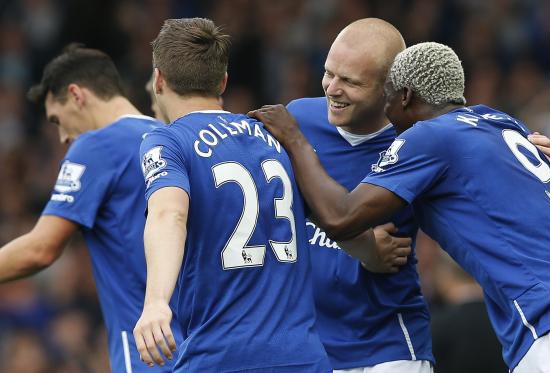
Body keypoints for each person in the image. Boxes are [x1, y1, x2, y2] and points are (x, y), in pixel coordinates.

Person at [251, 42, 550, 372]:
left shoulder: (429, 136)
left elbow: (341, 217)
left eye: (388, 97)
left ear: (404, 96)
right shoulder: (500, 122)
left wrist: (295, 140)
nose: (386, 114)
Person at [282, 18, 550, 372]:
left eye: (350, 81)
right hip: (305, 345)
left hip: (386, 347)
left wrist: (533, 158)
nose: (332, 89)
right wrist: (363, 245)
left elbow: (500, 184)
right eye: (329, 72)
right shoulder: (297, 118)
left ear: (390, 88)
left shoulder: (423, 142)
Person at [132, 17, 404, 372]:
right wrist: (371, 252)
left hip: (223, 356)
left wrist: (155, 302)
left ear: (158, 81)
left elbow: (169, 214)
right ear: (223, 82)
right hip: (305, 358)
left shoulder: (167, 140)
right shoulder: (272, 137)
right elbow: (329, 216)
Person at [0, 44, 181, 372]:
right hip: (203, 346)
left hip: (149, 350)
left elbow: (41, 248)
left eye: (57, 119)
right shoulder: (172, 137)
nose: (62, 137)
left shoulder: (98, 145)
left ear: (77, 95)